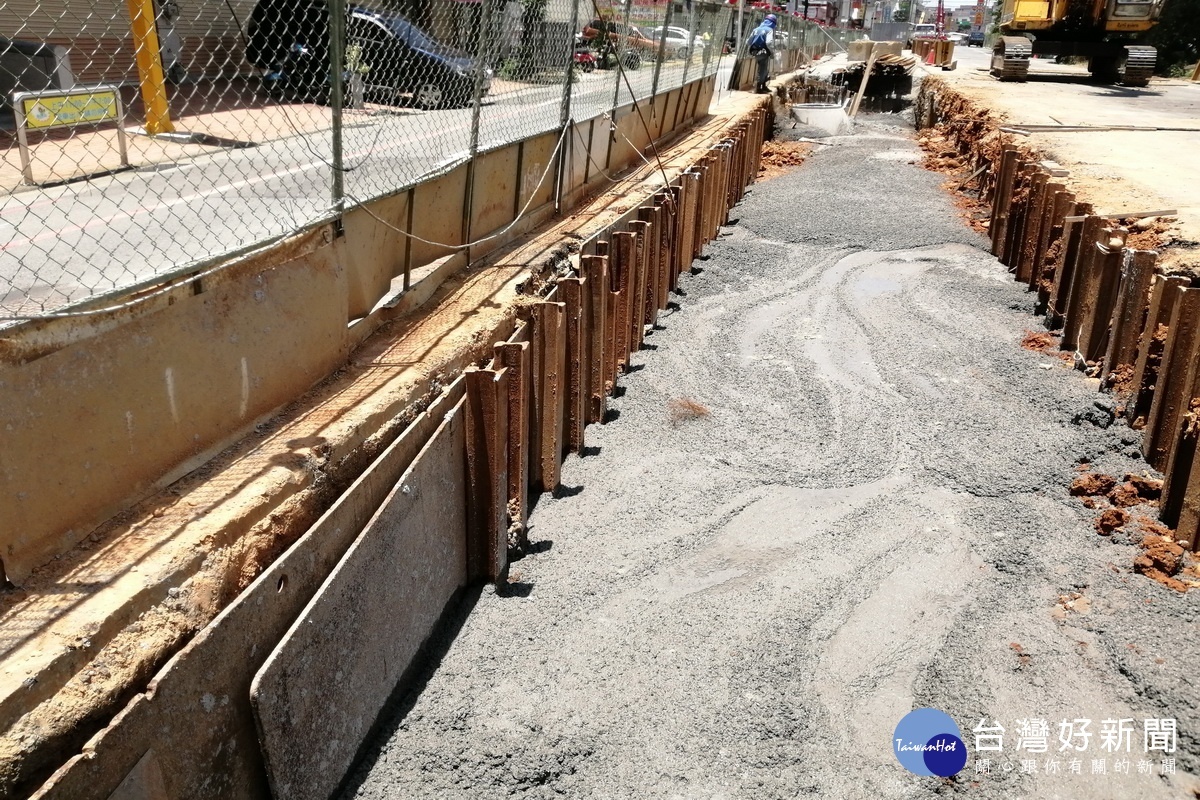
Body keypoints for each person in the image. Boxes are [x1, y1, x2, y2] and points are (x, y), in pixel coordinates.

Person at [746, 13, 777, 94]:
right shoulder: (769, 30)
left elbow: (748, 42)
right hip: (763, 52)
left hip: (754, 52)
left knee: (760, 69)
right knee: (763, 69)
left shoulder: (756, 29)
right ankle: (760, 86)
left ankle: (762, 85)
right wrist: (772, 52)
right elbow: (769, 43)